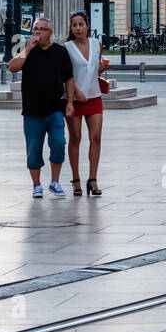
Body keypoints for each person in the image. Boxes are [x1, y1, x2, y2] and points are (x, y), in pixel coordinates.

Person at [8, 17, 75, 198]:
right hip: (32, 111)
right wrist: (28, 49)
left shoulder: (60, 52)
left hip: (55, 109)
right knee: (34, 149)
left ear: (50, 32)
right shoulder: (27, 51)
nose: (37, 33)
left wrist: (69, 102)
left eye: (42, 29)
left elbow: (68, 78)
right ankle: (37, 185)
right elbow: (12, 67)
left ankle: (55, 182)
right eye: (35, 29)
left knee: (59, 144)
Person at [64, 10, 107, 196]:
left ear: (87, 26)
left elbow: (95, 69)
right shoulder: (67, 47)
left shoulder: (97, 44)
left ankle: (93, 179)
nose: (78, 28)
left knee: (96, 137)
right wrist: (76, 93)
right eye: (74, 25)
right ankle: (75, 180)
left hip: (94, 96)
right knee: (75, 138)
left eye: (81, 24)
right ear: (71, 28)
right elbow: (65, 76)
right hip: (74, 98)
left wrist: (103, 68)